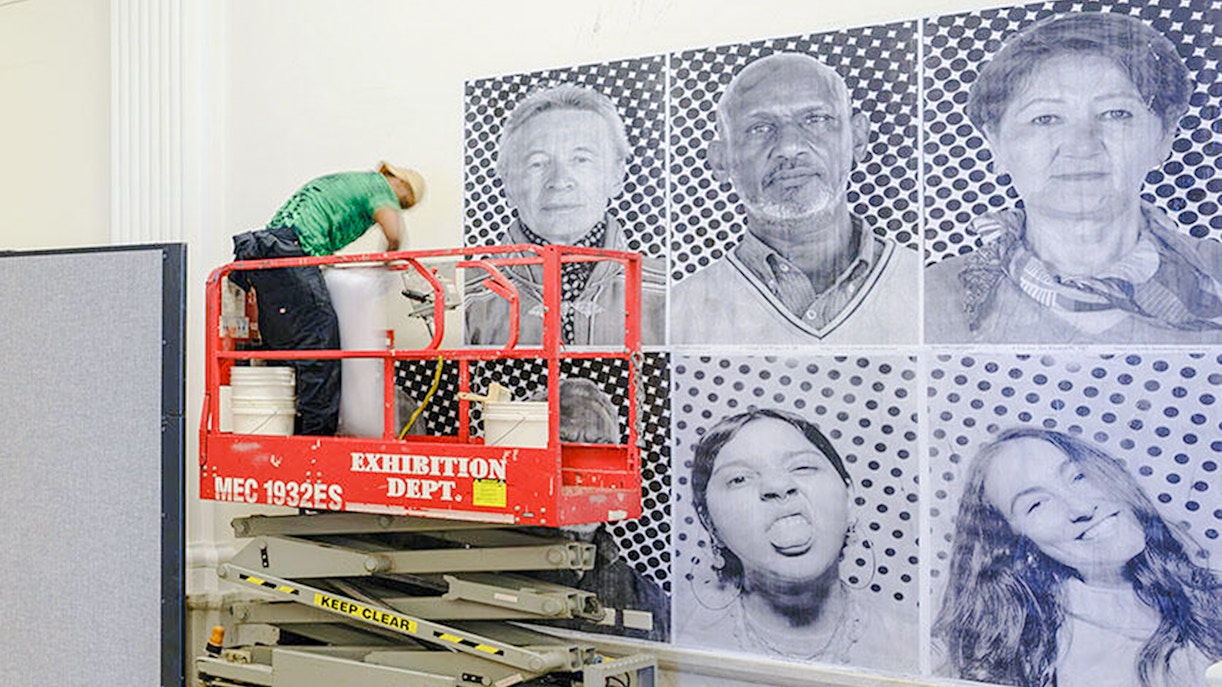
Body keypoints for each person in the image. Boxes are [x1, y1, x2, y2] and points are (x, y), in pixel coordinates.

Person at [925, 13, 1222, 344]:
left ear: (1164, 137)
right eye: (1046, 118)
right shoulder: (928, 298)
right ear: (996, 145)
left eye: (1116, 114)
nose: (1082, 145)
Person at [935, 428, 1221, 687]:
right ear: (1018, 548)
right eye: (1036, 505)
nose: (1080, 507)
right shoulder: (1057, 658)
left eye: (1078, 476)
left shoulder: (1205, 595)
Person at [670, 52, 919, 345]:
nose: (789, 147)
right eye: (759, 128)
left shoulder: (927, 285)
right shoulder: (676, 312)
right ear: (721, 160)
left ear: (858, 139)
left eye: (816, 119)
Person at [677, 407, 916, 670]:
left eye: (802, 466)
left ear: (849, 499)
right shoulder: (679, 636)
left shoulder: (915, 648)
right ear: (709, 522)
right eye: (739, 478)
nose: (777, 487)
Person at [464, 84, 666, 346]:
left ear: (617, 175)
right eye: (537, 163)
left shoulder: (668, 291)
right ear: (508, 183)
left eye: (581, 160)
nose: (559, 181)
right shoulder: (468, 299)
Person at [231, 162, 425, 435]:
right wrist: (385, 264)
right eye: (404, 203)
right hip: (291, 252)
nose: (400, 207)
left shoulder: (348, 183)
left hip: (270, 251)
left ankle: (285, 429)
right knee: (321, 344)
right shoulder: (380, 187)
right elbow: (394, 234)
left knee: (286, 345)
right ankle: (316, 438)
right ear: (399, 183)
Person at [524, 377, 670, 641]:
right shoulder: (483, 568)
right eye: (563, 443)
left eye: (599, 446)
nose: (581, 469)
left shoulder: (648, 598)